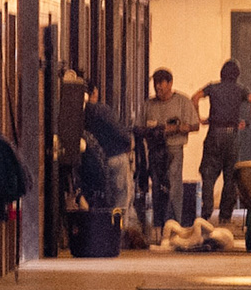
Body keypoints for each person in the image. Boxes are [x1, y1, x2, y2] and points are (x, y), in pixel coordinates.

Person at [190, 60, 251, 224]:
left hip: (214, 132)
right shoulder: (241, 89)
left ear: (222, 73)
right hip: (231, 135)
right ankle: (225, 216)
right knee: (231, 176)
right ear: (237, 75)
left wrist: (200, 118)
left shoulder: (212, 87)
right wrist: (246, 121)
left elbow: (195, 97)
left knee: (208, 173)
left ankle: (206, 212)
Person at [143, 68, 199, 227]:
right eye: (155, 85)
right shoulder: (149, 105)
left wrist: (179, 128)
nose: (158, 88)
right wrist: (157, 130)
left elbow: (195, 126)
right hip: (155, 150)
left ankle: (174, 223)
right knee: (156, 185)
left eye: (161, 84)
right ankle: (159, 223)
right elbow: (140, 127)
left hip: (174, 149)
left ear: (170, 83)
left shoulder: (183, 102)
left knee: (173, 185)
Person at [83, 79, 134, 214]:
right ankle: (120, 233)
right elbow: (119, 132)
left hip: (95, 166)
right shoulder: (101, 110)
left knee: (104, 205)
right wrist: (130, 142)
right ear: (94, 92)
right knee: (121, 204)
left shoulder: (79, 114)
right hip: (116, 157)